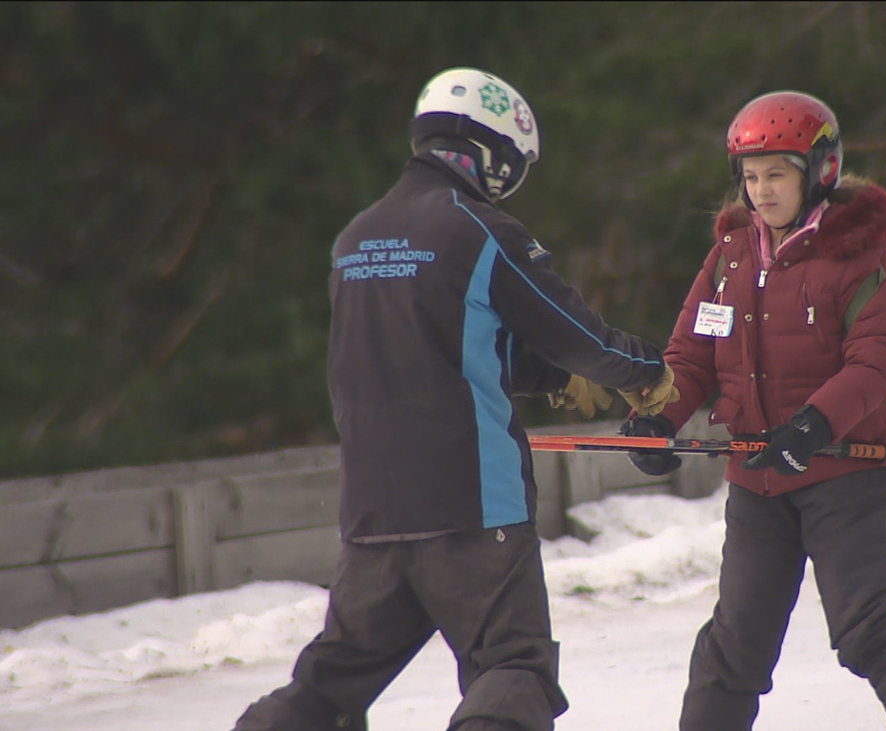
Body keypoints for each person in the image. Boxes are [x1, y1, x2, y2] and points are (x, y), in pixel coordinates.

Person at [233, 67, 677, 731]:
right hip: (472, 511)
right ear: (492, 154)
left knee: (327, 688)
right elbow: (578, 333)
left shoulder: (354, 239)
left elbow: (432, 343)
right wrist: (644, 370)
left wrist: (550, 380)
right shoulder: (476, 229)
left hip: (372, 517)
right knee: (513, 668)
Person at [620, 91, 886, 731]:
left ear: (821, 172)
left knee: (867, 622)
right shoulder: (729, 258)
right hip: (759, 478)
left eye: (777, 175)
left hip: (845, 470)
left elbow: (872, 366)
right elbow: (693, 355)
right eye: (751, 178)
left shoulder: (854, 258)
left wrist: (811, 427)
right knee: (736, 641)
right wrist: (658, 423)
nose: (762, 192)